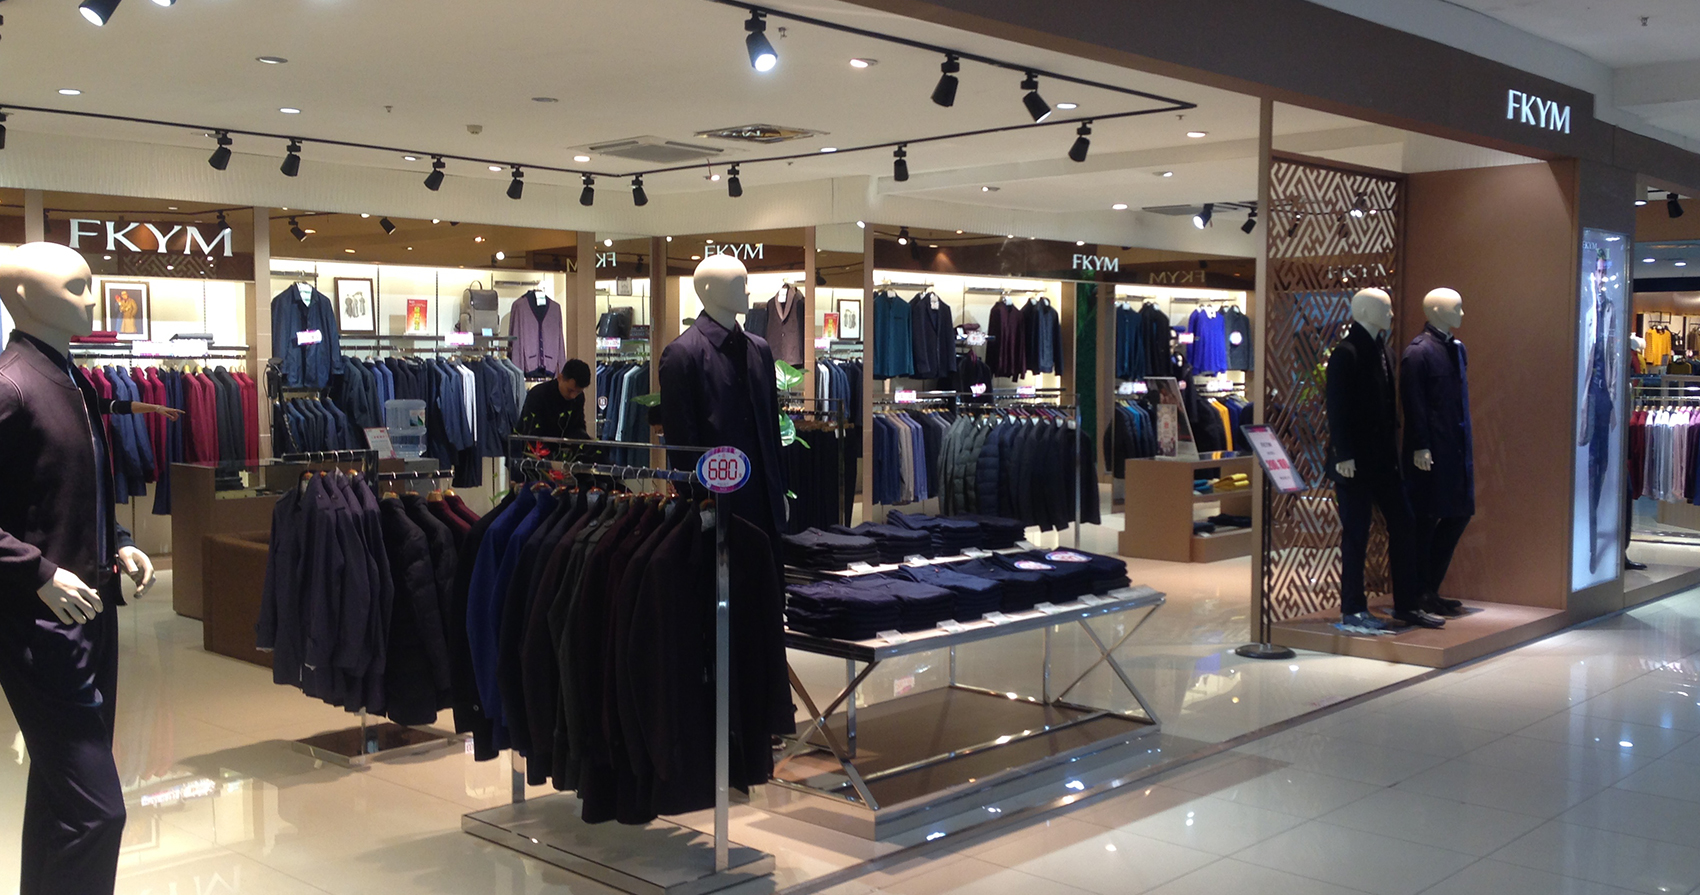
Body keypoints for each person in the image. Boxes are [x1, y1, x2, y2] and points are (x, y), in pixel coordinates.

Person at [516, 359, 593, 474]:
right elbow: (531, 434)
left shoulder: (579, 397)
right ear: (560, 378)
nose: (573, 396)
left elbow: (578, 426)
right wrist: (552, 464)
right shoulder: (538, 395)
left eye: (578, 392)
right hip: (533, 458)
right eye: (570, 390)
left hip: (563, 459)